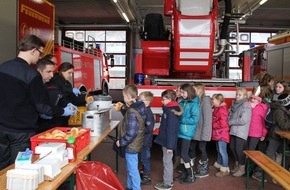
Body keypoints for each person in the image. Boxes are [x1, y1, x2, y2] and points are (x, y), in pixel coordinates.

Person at [0, 35, 74, 170]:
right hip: (21, 132)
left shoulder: (2, 67)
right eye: (40, 53)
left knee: (1, 168)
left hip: (1, 129)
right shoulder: (31, 75)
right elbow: (42, 107)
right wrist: (62, 111)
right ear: (33, 50)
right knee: (17, 169)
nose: (40, 57)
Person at [115, 84, 146, 190]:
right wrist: (123, 108)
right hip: (136, 144)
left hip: (131, 145)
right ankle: (129, 187)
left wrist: (121, 142)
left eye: (123, 96)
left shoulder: (132, 111)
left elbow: (131, 133)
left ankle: (136, 188)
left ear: (128, 97)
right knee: (130, 168)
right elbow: (130, 116)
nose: (123, 98)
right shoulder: (139, 106)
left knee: (132, 170)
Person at [35, 58, 77, 133]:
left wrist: (66, 104)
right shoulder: (36, 86)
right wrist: (63, 111)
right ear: (39, 70)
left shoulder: (49, 84)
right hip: (41, 125)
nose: (51, 75)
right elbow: (43, 107)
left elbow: (59, 97)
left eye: (52, 72)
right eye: (49, 72)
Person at [45, 62, 90, 126]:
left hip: (63, 117)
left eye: (72, 73)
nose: (71, 75)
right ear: (62, 71)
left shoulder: (66, 83)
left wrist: (84, 98)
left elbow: (73, 99)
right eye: (69, 73)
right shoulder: (55, 82)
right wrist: (67, 105)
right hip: (56, 118)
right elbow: (61, 99)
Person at [154, 90, 181, 190]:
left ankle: (167, 183)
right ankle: (168, 181)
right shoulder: (169, 109)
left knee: (167, 161)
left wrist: (170, 146)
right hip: (166, 140)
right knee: (167, 161)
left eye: (163, 99)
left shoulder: (171, 112)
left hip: (168, 142)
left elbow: (172, 131)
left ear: (169, 100)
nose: (161, 101)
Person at [176, 83, 200, 184]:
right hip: (180, 131)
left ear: (189, 92)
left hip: (186, 133)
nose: (181, 94)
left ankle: (191, 175)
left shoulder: (194, 105)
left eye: (183, 92)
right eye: (181, 92)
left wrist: (181, 118)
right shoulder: (182, 102)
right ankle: (184, 173)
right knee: (182, 154)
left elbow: (194, 120)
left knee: (184, 154)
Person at [189, 83, 212, 178]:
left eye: (194, 90)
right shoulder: (196, 101)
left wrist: (205, 135)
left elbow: (207, 120)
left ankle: (204, 169)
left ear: (200, 91)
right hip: (195, 131)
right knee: (191, 148)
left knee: (202, 149)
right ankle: (191, 168)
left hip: (202, 132)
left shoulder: (205, 102)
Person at [228, 87, 252, 177]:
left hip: (241, 131)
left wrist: (230, 122)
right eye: (236, 94)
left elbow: (244, 120)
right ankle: (237, 164)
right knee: (232, 147)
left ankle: (242, 168)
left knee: (239, 149)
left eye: (240, 95)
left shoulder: (246, 105)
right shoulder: (234, 104)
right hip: (234, 129)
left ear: (245, 96)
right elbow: (230, 114)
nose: (237, 96)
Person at [138, 91, 155, 185]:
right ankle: (143, 172)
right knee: (142, 157)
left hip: (145, 141)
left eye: (141, 100)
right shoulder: (143, 110)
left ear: (147, 101)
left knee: (145, 158)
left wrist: (139, 130)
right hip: (142, 140)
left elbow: (149, 128)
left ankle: (146, 177)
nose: (139, 101)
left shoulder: (148, 113)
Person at [211, 93, 230, 177]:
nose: (212, 101)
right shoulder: (217, 108)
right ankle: (218, 163)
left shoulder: (221, 110)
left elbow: (223, 124)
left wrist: (213, 124)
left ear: (218, 101)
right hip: (219, 133)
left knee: (223, 151)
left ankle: (225, 168)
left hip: (222, 133)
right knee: (219, 149)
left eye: (213, 99)